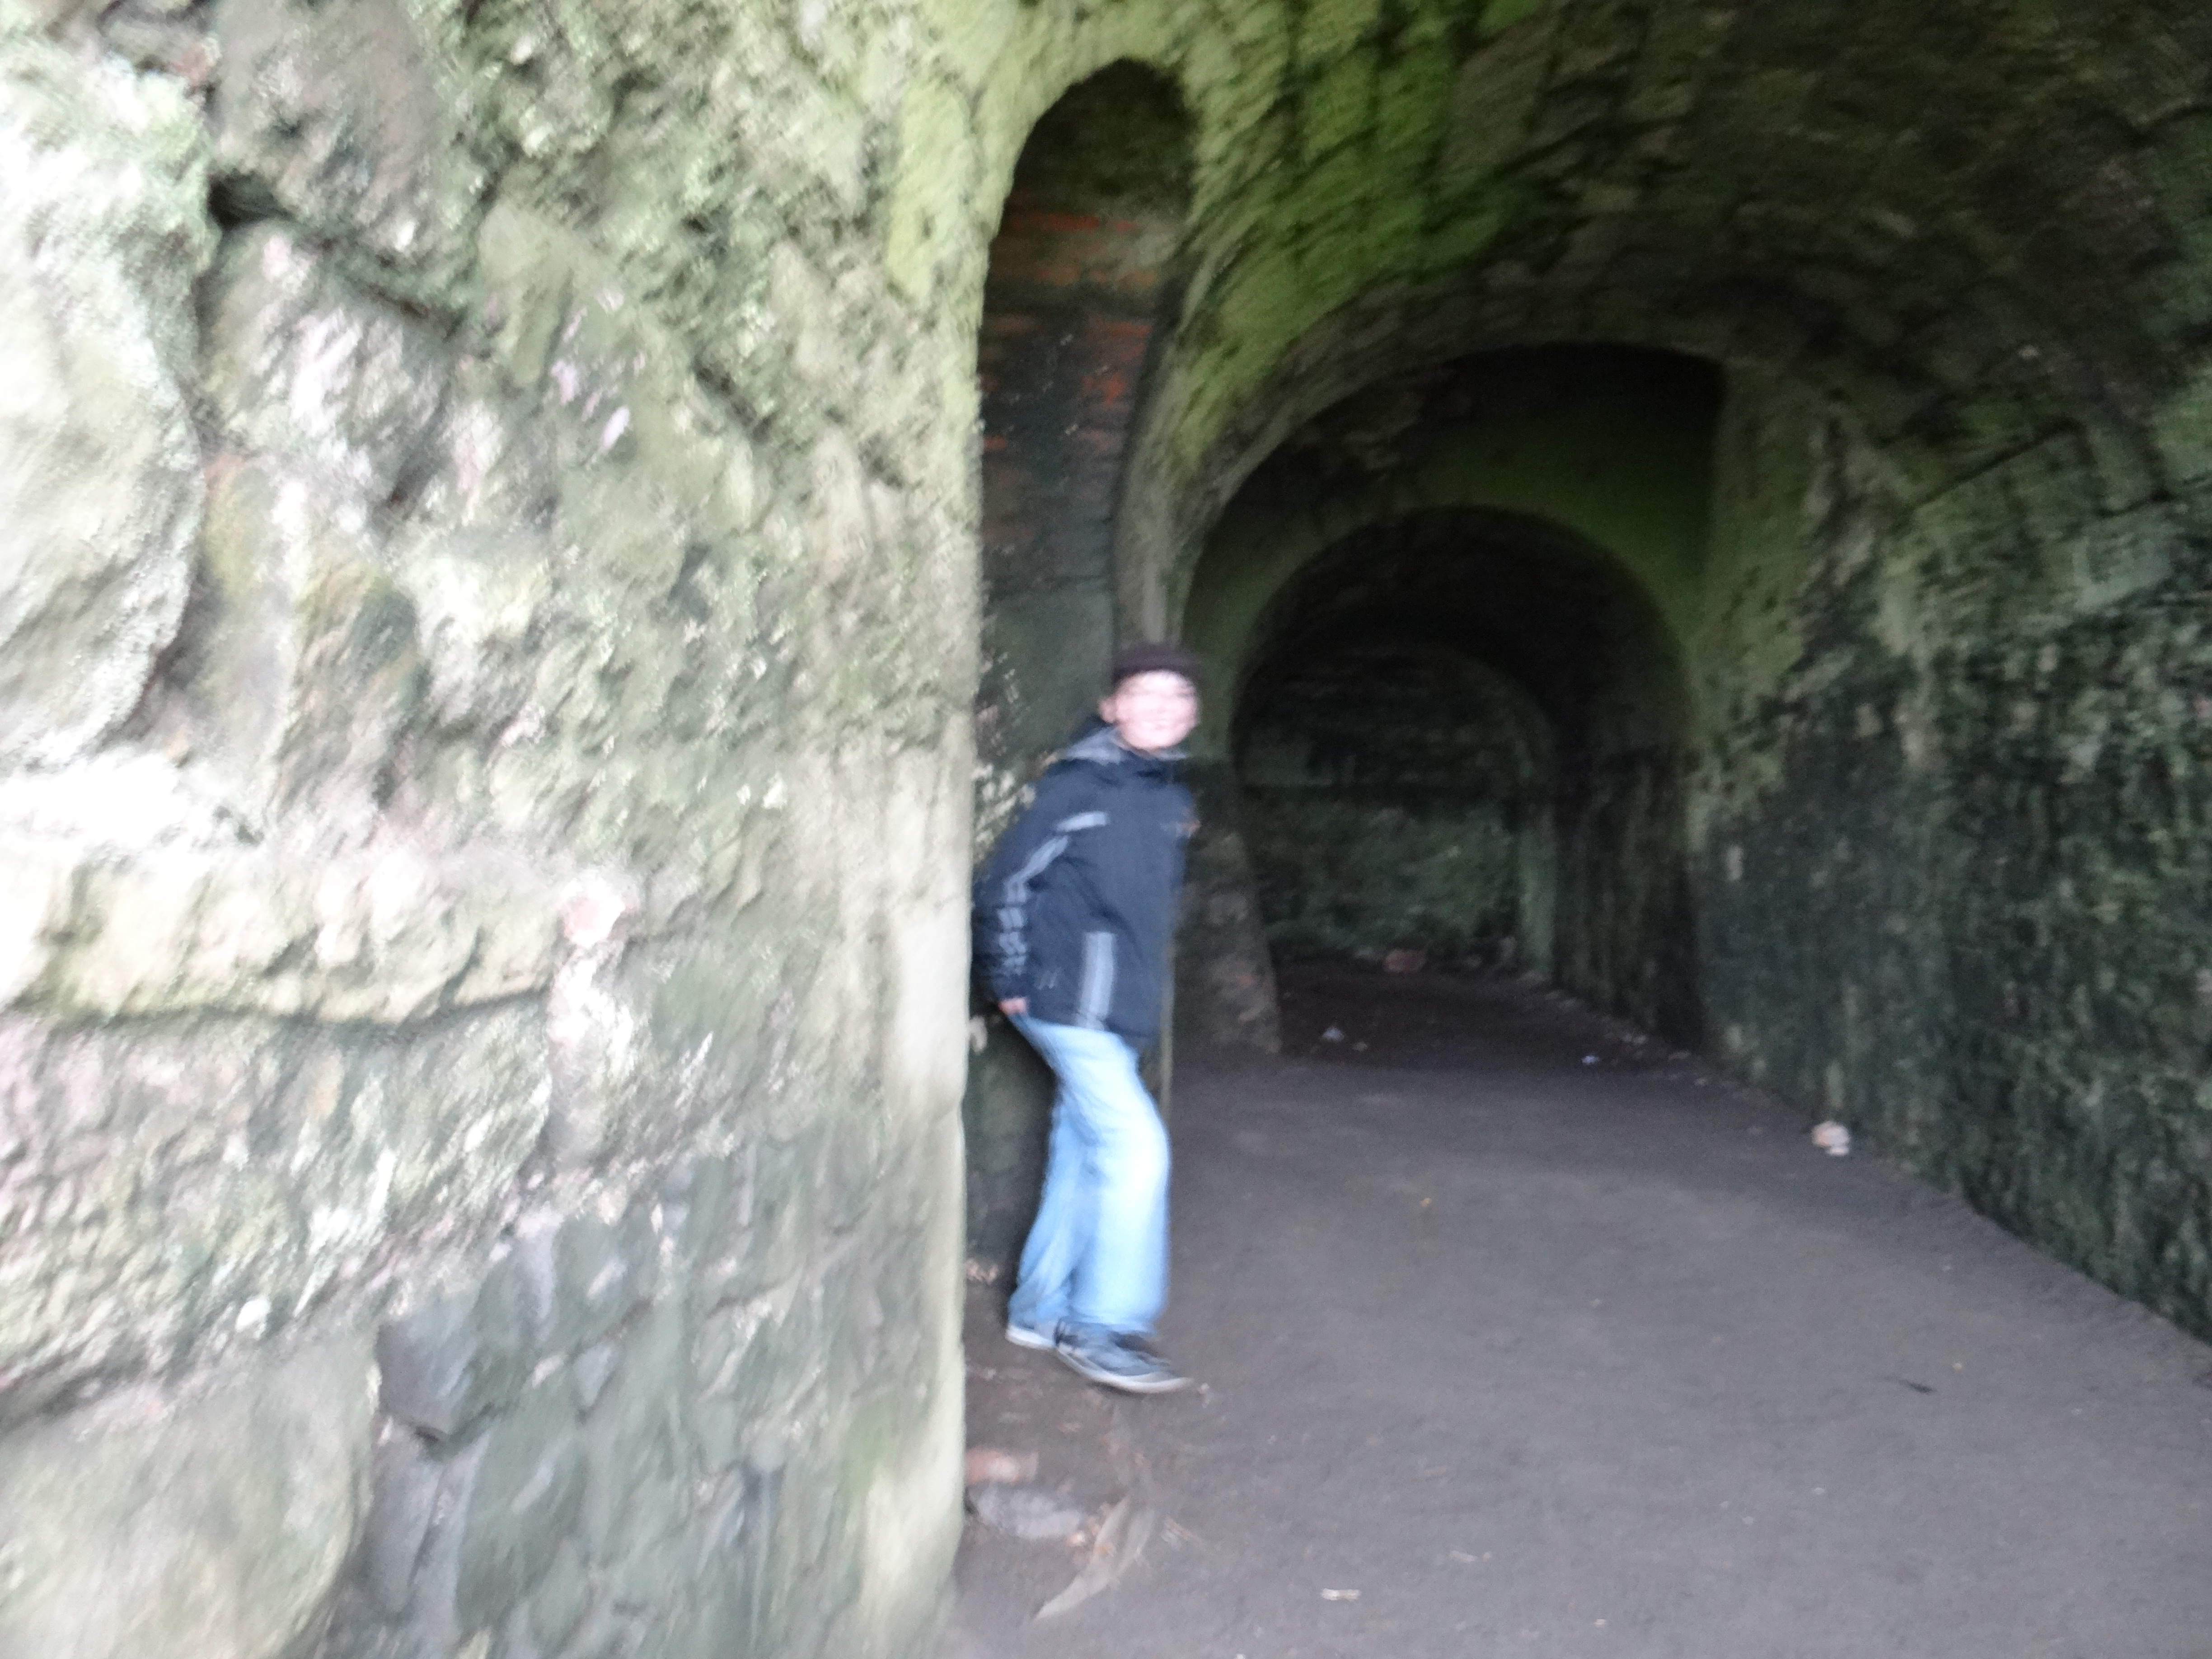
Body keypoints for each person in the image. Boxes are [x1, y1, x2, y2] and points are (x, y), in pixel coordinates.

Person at [971, 642, 1203, 1393]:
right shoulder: (1078, 786)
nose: (1161, 709)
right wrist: (1009, 976)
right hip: (1066, 1000)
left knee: (1084, 1154)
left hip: (1118, 1008)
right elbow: (1006, 884)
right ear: (1112, 708)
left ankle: (1039, 1311)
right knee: (1137, 1150)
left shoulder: (1166, 796)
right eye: (1144, 694)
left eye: (1177, 698)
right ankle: (1100, 1326)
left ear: (1192, 715)